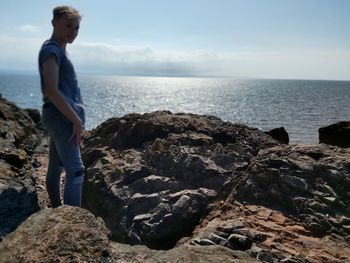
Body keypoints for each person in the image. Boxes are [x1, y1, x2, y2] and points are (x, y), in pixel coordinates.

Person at [38, 6, 85, 207]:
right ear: (54, 23)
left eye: (76, 28)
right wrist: (75, 119)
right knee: (76, 171)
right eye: (68, 25)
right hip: (61, 118)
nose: (72, 31)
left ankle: (57, 210)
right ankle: (71, 221)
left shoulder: (57, 49)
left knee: (56, 166)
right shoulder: (52, 50)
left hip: (57, 116)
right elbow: (51, 89)